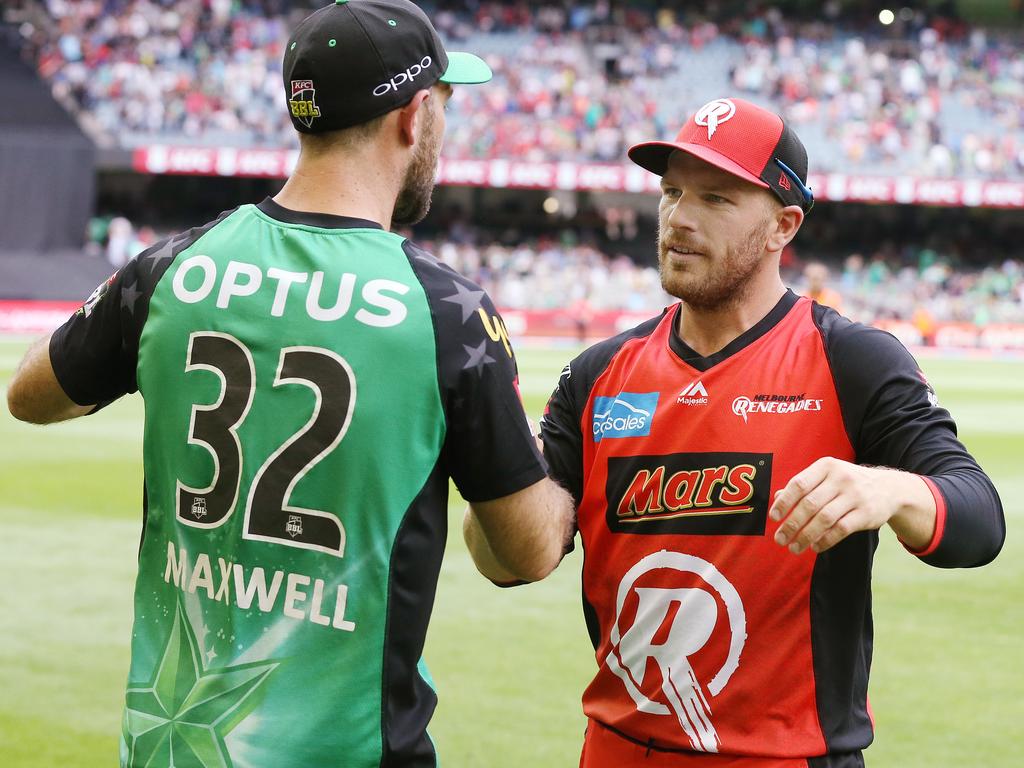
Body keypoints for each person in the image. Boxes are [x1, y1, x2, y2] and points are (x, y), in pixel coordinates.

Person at [7, 2, 573, 766]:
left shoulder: (173, 267)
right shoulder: (447, 312)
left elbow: (30, 394)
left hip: (173, 749)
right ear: (413, 117)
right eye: (444, 102)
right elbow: (531, 550)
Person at [466, 97, 1005, 767]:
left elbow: (981, 519)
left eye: (716, 200)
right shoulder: (597, 374)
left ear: (783, 225)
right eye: (671, 192)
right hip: (615, 751)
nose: (679, 218)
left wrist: (888, 491)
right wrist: (490, 464)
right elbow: (513, 562)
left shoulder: (852, 361)